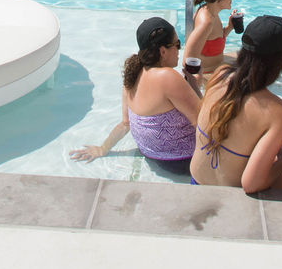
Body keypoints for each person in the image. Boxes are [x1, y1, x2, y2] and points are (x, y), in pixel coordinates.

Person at [190, 15, 282, 191]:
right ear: (278, 60)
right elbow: (251, 184)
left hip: (195, 183)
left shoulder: (219, 76)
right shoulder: (278, 112)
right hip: (234, 200)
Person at [71, 16, 201, 165]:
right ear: (163, 51)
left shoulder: (132, 74)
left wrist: (102, 149)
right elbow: (204, 123)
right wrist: (195, 85)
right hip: (185, 160)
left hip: (153, 156)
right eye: (177, 44)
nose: (179, 50)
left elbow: (125, 124)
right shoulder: (168, 77)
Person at [184, 0, 242, 78]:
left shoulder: (211, 12)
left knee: (252, 58)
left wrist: (229, 27)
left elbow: (213, 39)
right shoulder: (206, 22)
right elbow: (187, 61)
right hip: (210, 74)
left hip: (218, 66)